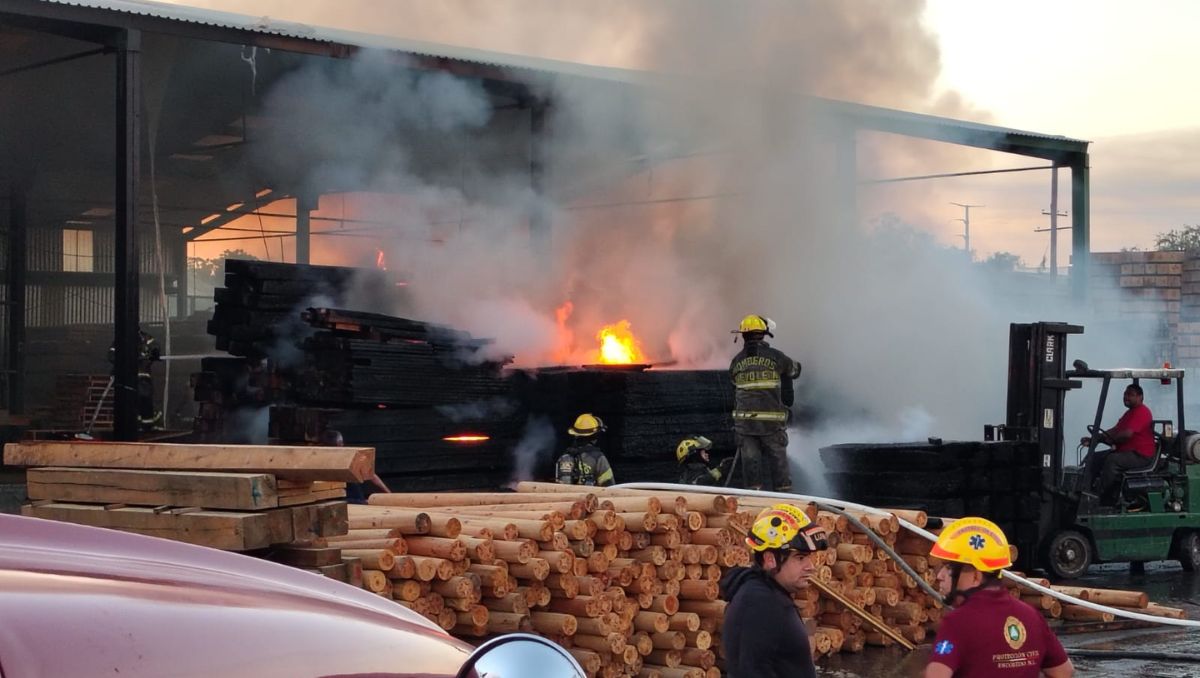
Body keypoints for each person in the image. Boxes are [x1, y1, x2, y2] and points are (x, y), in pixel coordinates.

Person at [925, 517, 1073, 678]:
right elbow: (1064, 672)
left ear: (976, 576)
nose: (939, 576)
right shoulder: (1031, 616)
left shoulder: (957, 622)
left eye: (949, 568)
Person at [720, 503, 828, 678]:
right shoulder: (765, 606)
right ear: (770, 559)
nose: (811, 567)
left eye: (810, 557)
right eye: (800, 558)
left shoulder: (755, 592)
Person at [729, 314, 801, 491]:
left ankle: (753, 509)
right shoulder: (777, 357)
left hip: (745, 427)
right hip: (771, 426)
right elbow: (795, 370)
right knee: (781, 476)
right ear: (764, 334)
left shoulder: (736, 361)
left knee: (752, 479)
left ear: (743, 336)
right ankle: (785, 505)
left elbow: (733, 382)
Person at [1080, 383, 1155, 505]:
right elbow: (1115, 430)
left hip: (1140, 455)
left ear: (1140, 397)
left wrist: (1109, 440)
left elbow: (1126, 435)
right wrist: (1097, 437)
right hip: (1128, 451)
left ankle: (1104, 497)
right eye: (1125, 394)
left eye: (1130, 395)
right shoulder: (1129, 413)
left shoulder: (1142, 412)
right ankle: (1086, 491)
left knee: (1112, 460)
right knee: (1094, 458)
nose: (1126, 397)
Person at [108, 328, 162, 430]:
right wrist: (124, 360)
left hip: (142, 377)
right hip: (126, 379)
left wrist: (154, 353)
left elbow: (155, 347)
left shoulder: (145, 338)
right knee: (129, 402)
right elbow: (111, 355)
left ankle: (146, 426)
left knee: (144, 400)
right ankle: (133, 426)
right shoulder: (121, 340)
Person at [319, 429, 391, 504]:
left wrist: (388, 493)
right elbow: (372, 476)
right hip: (348, 501)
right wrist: (388, 492)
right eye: (341, 443)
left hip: (336, 501)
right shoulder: (347, 458)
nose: (342, 445)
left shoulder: (320, 460)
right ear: (339, 444)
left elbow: (372, 475)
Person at [555, 413, 615, 487]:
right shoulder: (599, 458)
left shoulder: (564, 457)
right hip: (591, 497)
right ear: (594, 436)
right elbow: (610, 486)